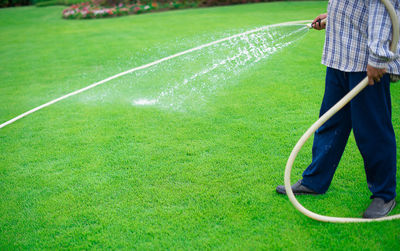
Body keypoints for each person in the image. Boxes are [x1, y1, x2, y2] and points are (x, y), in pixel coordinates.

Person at [276, 0, 400, 219]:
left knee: (372, 131)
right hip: (340, 55)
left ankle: (384, 194)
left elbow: (383, 10)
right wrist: (332, 17)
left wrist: (378, 57)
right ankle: (315, 181)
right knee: (330, 123)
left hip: (365, 61)